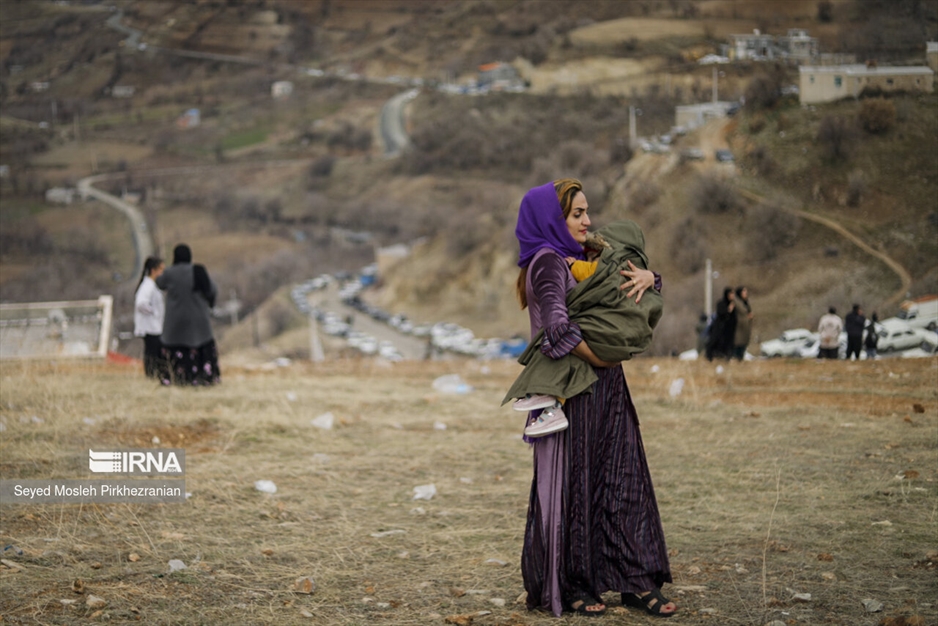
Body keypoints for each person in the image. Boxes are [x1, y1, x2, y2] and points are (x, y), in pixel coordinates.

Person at [512, 179, 675, 618]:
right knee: (578, 488)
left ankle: (636, 581)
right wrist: (604, 358)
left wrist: (650, 276)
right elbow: (556, 333)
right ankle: (577, 583)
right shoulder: (547, 264)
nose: (587, 221)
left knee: (622, 480)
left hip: (607, 388)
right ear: (552, 219)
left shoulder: (587, 257)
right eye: (576, 214)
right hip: (574, 393)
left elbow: (629, 282)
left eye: (587, 212)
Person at [506, 225, 664, 438]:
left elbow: (593, 274)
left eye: (593, 255)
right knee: (566, 348)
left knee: (561, 347)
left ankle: (550, 403)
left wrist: (573, 265)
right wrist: (652, 277)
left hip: (606, 336)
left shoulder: (610, 266)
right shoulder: (630, 267)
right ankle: (546, 396)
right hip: (615, 341)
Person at [156, 244, 221, 385]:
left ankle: (177, 378)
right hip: (199, 321)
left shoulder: (170, 273)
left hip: (176, 322)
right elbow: (212, 290)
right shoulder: (198, 271)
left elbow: (159, 283)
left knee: (177, 349)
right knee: (201, 347)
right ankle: (204, 377)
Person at [133, 256, 166, 379]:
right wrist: (153, 313)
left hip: (154, 326)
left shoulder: (152, 285)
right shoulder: (148, 285)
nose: (162, 273)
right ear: (154, 270)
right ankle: (151, 374)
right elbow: (141, 304)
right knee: (153, 353)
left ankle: (154, 374)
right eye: (161, 269)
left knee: (154, 353)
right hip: (150, 327)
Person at [705, 287, 736, 361]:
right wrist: (728, 310)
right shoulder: (722, 303)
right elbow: (721, 313)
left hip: (729, 329)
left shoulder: (734, 304)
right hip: (720, 327)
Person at [732, 286, 753, 361]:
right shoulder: (737, 303)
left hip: (745, 328)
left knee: (743, 345)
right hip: (739, 328)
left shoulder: (746, 302)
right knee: (738, 345)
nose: (745, 293)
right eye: (743, 292)